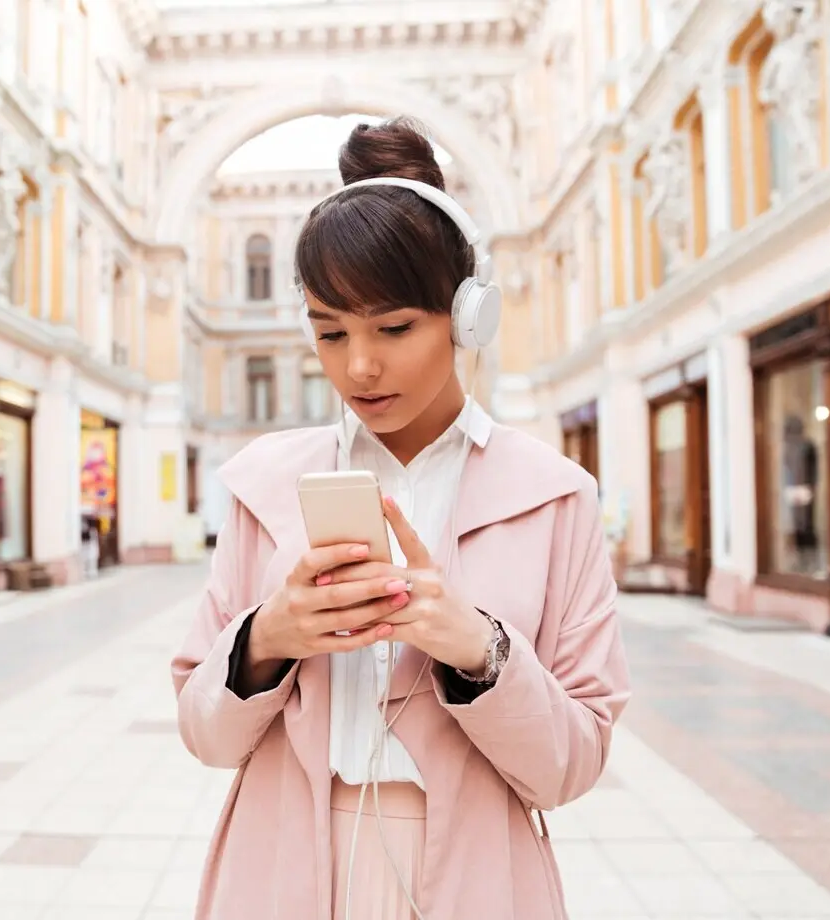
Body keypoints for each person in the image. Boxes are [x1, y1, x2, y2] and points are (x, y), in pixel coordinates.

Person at [171, 117, 631, 919]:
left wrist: (480, 650)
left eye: (393, 328)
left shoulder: (555, 496)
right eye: (329, 332)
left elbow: (572, 768)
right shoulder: (261, 487)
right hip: (280, 869)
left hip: (480, 877)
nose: (359, 366)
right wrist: (267, 639)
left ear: (465, 317)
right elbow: (206, 739)